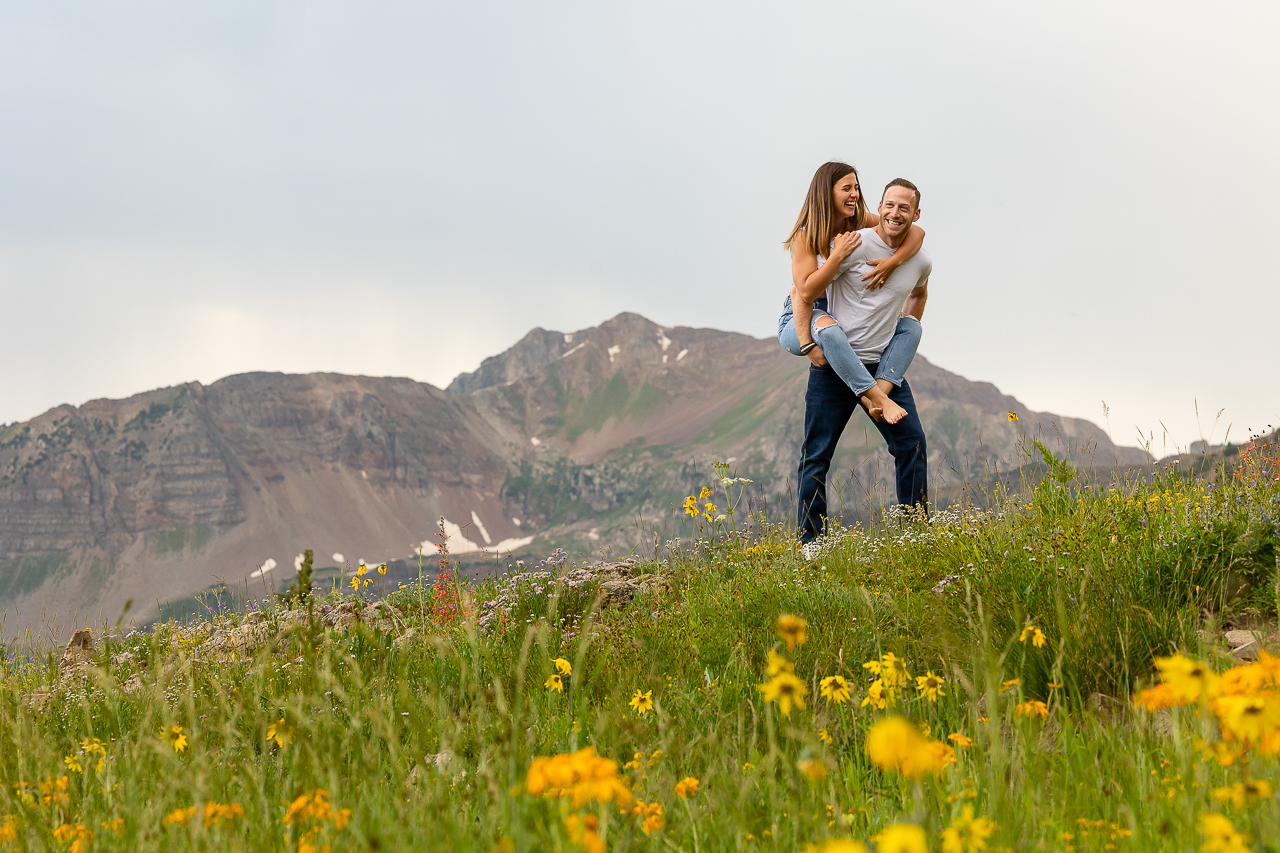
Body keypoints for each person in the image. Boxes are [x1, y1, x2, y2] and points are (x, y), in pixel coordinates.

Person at [794, 178, 932, 550]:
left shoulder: (920, 259)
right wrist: (809, 343)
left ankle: (916, 535)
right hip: (836, 368)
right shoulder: (853, 244)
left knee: (912, 444)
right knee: (816, 454)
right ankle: (812, 544)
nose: (895, 213)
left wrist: (904, 323)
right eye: (889, 205)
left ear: (915, 214)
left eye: (904, 208)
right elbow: (806, 290)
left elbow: (919, 292)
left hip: (881, 370)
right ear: (880, 206)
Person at [778, 162, 925, 423]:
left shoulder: (857, 220)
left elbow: (916, 231)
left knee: (911, 327)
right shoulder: (805, 237)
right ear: (827, 193)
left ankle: (878, 395)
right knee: (829, 329)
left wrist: (893, 262)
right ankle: (878, 400)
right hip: (800, 319)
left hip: (833, 315)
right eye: (847, 188)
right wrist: (808, 346)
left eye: (856, 187)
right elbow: (805, 293)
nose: (855, 194)